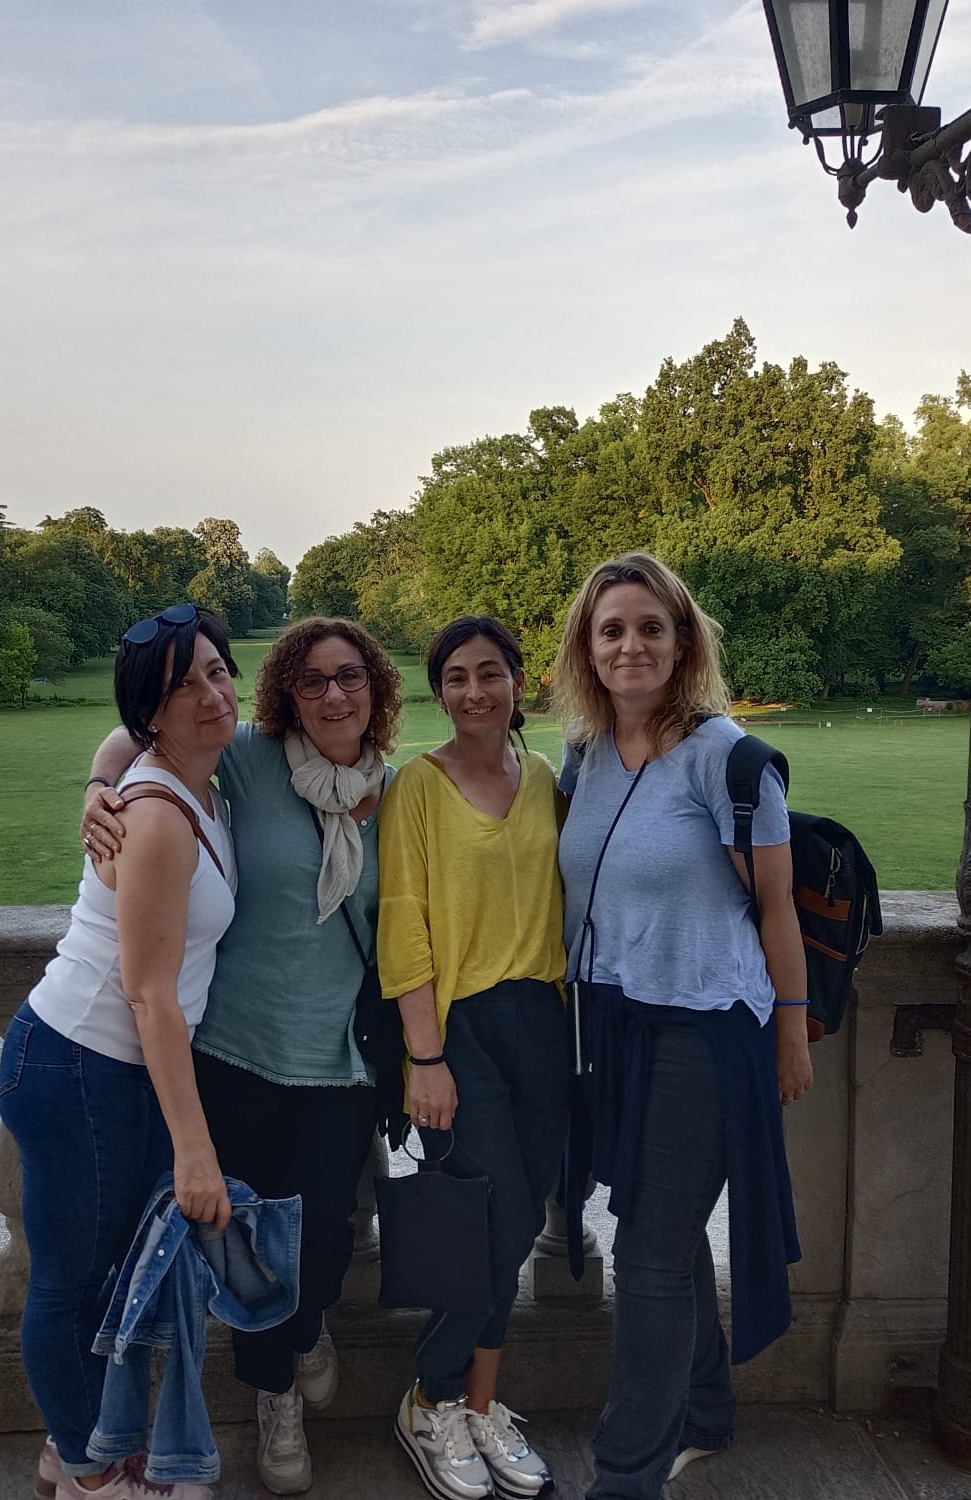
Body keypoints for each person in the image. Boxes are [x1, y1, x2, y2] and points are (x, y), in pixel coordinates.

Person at [79, 616, 403, 1496]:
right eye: (312, 680)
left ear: (375, 687)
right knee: (251, 1248)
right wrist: (99, 789)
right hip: (236, 1053)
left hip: (341, 1063)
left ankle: (307, 1329)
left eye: (350, 676)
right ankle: (274, 1394)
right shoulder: (254, 760)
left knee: (326, 1241)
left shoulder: (398, 792)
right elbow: (134, 734)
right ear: (288, 694)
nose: (333, 695)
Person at [551, 554, 811, 1500]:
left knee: (650, 1250)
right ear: (588, 648)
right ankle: (704, 1411)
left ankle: (627, 1474)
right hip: (614, 1023)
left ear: (683, 642)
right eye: (612, 629)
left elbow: (776, 911)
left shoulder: (728, 761)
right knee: (659, 1226)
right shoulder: (583, 754)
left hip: (704, 1027)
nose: (632, 645)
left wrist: (791, 1033)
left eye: (651, 628)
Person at [0, 602, 240, 1500]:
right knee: (71, 1284)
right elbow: (149, 996)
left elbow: (115, 738)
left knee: (109, 1281)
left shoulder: (198, 775)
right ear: (152, 714)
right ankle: (91, 1476)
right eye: (183, 687)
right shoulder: (161, 815)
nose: (212, 695)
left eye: (217, 670)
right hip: (77, 1062)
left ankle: (76, 1446)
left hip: (111, 1069)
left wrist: (98, 780)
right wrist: (194, 1149)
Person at [377, 615, 569, 1500]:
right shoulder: (417, 786)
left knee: (523, 1216)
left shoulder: (545, 780)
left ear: (518, 683)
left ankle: (481, 1406)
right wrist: (425, 1056)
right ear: (439, 691)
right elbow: (404, 924)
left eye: (490, 672)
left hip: (544, 1021)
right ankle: (430, 1397)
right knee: (497, 1218)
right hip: (461, 1028)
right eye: (455, 676)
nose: (473, 691)